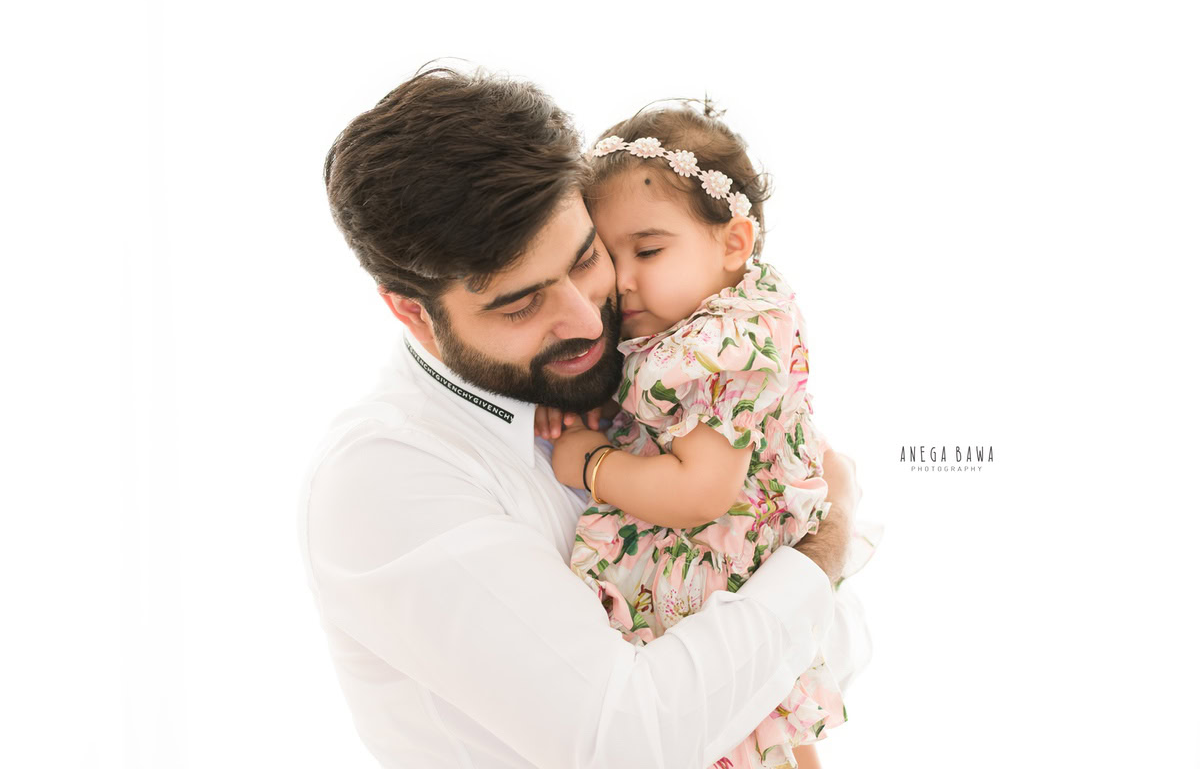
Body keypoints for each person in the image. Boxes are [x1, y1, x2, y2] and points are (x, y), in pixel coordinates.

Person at [299, 65, 869, 769]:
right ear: (413, 313)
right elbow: (629, 740)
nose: (584, 316)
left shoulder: (653, 360)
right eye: (520, 304)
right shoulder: (385, 479)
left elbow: (820, 654)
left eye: (585, 257)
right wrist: (823, 552)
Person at [535, 104, 879, 769]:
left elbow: (699, 491)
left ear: (733, 244)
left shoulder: (717, 347)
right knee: (760, 734)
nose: (623, 278)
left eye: (650, 249)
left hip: (726, 573)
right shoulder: (696, 322)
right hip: (735, 565)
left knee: (749, 732)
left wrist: (592, 463)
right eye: (609, 256)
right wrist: (594, 409)